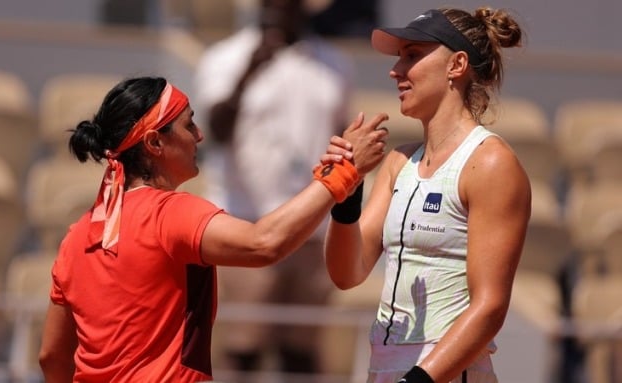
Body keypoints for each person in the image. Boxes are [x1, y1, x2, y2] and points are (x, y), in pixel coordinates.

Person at [37, 75, 389, 383]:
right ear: (155, 143)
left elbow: (51, 357)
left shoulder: (77, 235)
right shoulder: (170, 213)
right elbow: (263, 244)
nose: (200, 135)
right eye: (189, 125)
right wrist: (343, 173)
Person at [323, 7, 531, 383]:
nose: (395, 70)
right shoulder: (398, 161)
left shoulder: (490, 163)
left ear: (457, 65)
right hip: (386, 370)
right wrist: (346, 194)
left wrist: (419, 380)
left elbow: (490, 305)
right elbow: (346, 273)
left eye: (412, 55)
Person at [193, 0, 353, 376]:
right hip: (243, 220)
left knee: (302, 347)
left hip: (312, 227)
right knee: (244, 345)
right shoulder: (225, 58)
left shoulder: (334, 65)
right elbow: (213, 131)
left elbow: (342, 137)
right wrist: (251, 71)